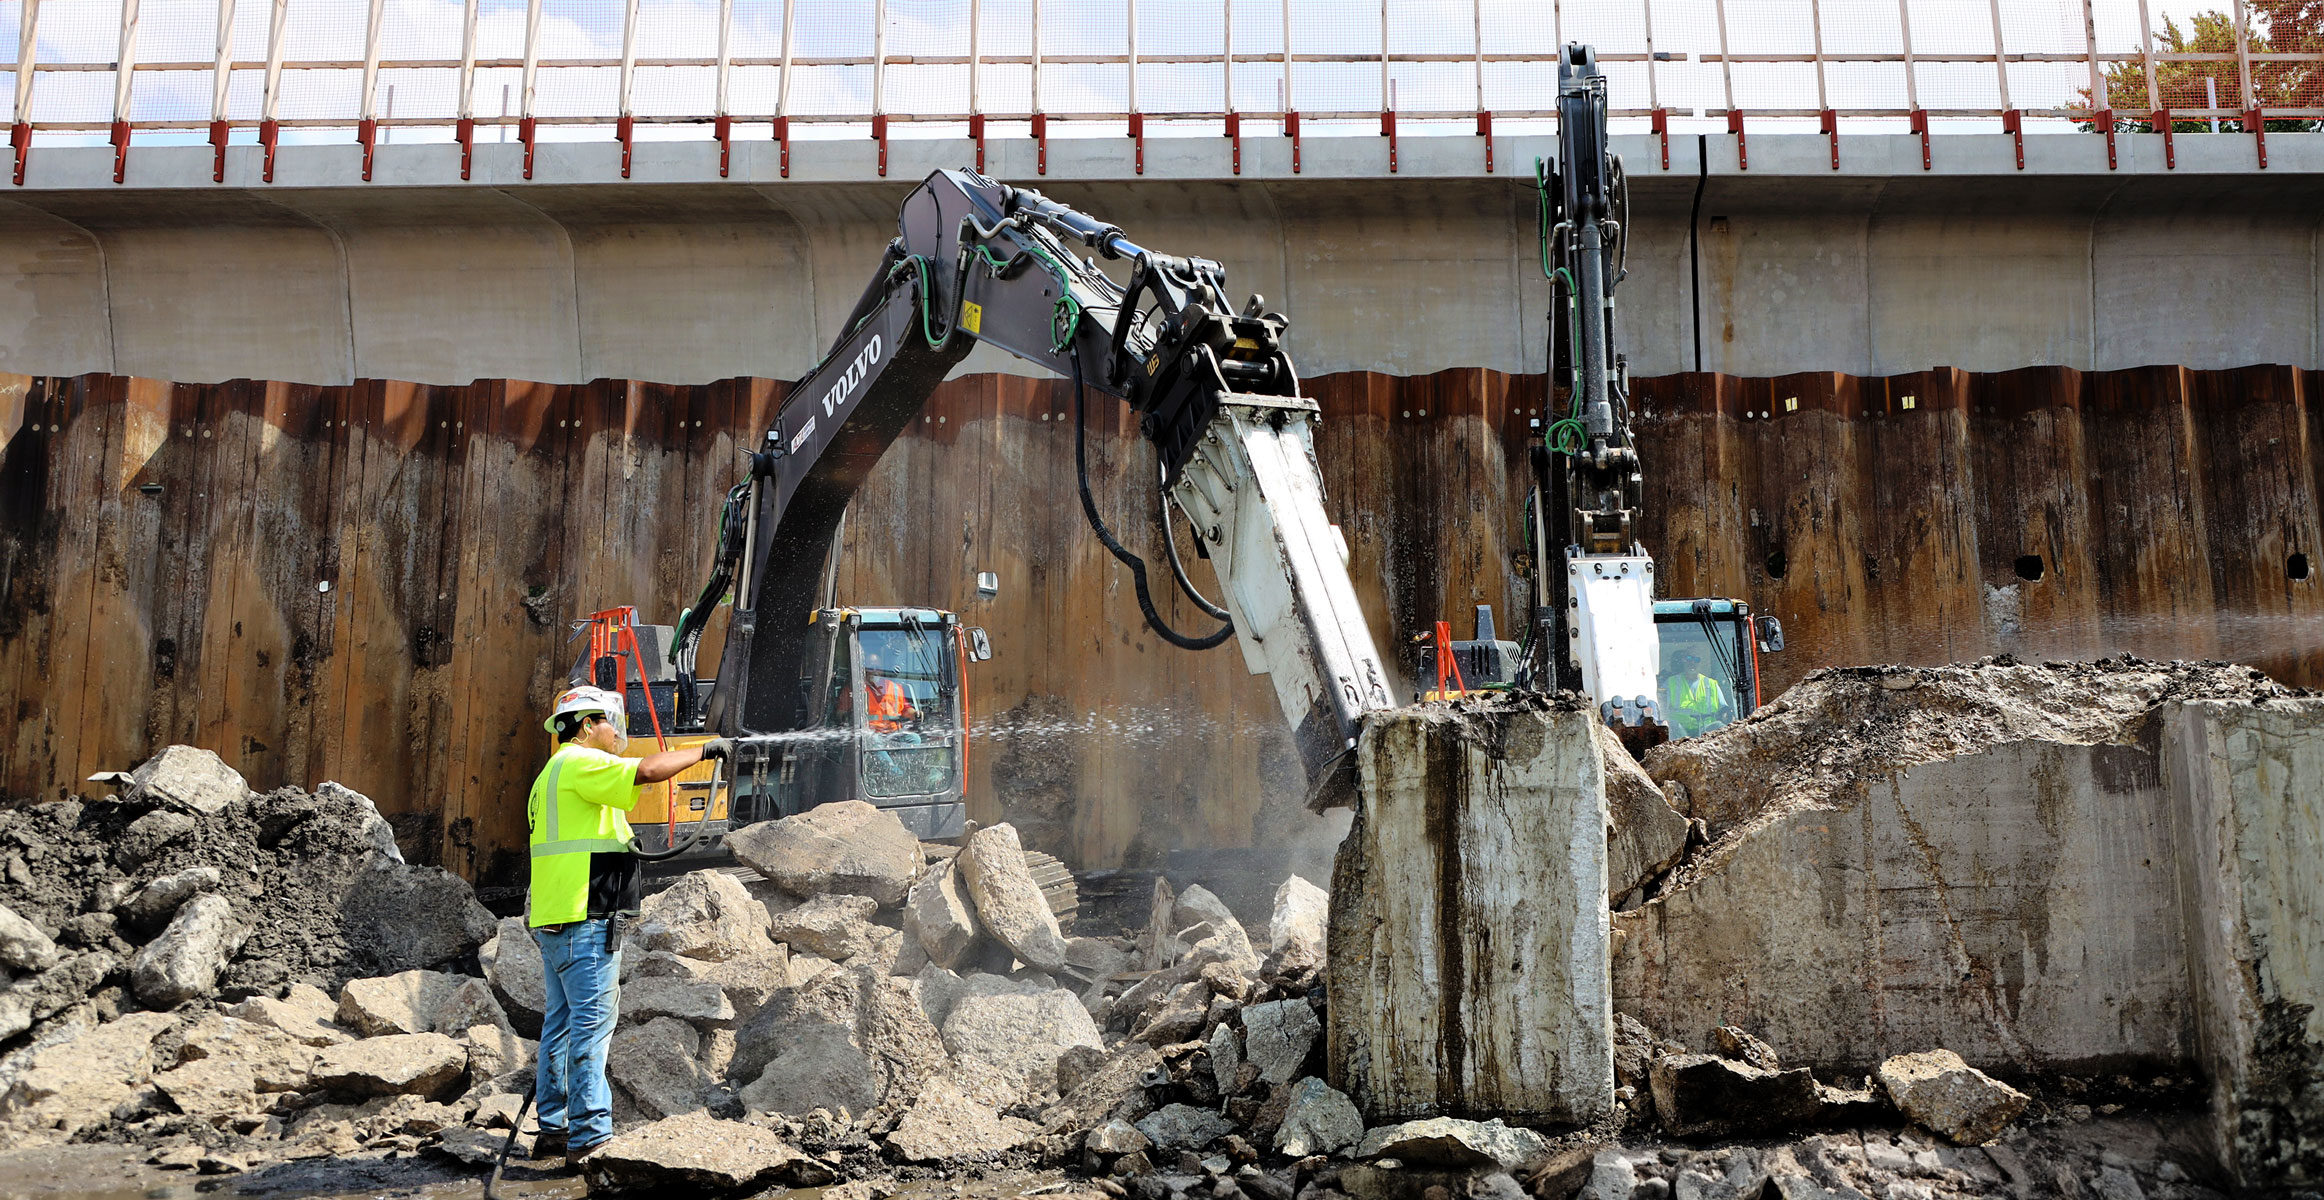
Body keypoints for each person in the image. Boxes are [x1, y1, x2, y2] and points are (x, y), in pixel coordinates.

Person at [527, 685, 729, 1166]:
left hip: (557, 921)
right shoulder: (579, 764)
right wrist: (705, 750)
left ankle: (553, 1128)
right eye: (610, 724)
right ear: (585, 725)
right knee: (592, 1029)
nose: (618, 734)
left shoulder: (550, 775)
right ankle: (591, 1136)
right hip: (585, 920)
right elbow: (649, 770)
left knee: (560, 1027)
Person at [1662, 649, 1731, 739]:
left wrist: (1728, 716)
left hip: (1706, 731)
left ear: (1701, 663)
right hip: (1679, 732)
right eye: (1689, 658)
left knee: (1719, 726)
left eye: (1696, 660)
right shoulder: (1671, 683)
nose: (1692, 663)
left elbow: (1724, 709)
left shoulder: (1711, 684)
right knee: (1670, 726)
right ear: (1683, 661)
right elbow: (1662, 709)